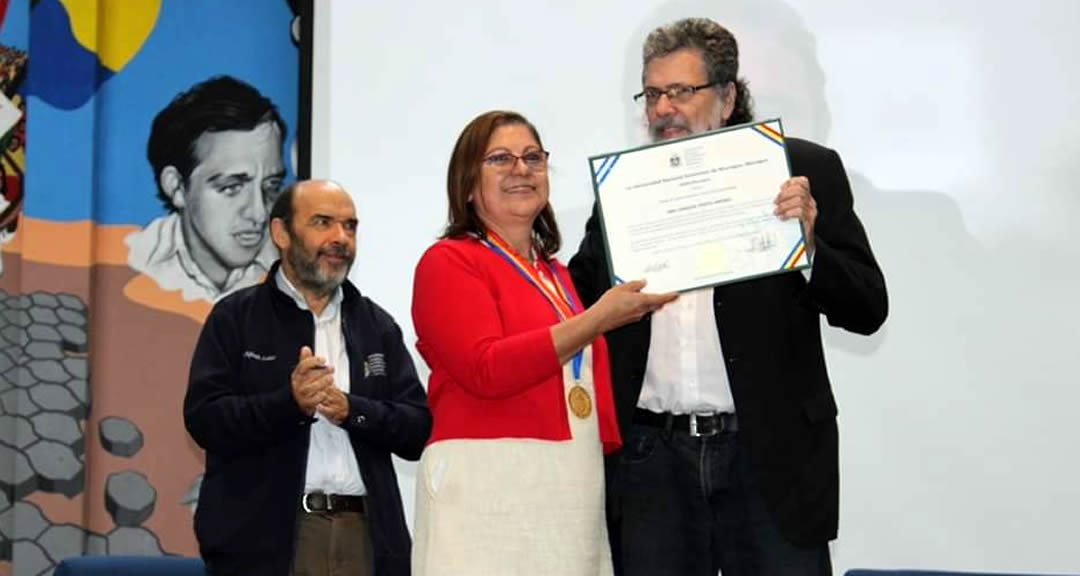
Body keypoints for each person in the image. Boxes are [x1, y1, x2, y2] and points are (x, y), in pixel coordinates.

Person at [568, 18, 888, 576]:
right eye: (653, 92)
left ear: (728, 95)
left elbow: (867, 308)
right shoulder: (626, 189)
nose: (663, 107)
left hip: (767, 459)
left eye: (681, 91)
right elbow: (581, 298)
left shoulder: (803, 170)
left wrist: (810, 247)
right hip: (652, 462)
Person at [410, 110, 677, 576]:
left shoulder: (555, 275)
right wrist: (595, 320)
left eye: (533, 157)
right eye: (501, 158)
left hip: (569, 478)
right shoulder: (448, 261)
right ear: (468, 184)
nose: (522, 169)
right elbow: (486, 368)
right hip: (487, 481)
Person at [184, 179, 431, 576]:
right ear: (281, 233)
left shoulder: (375, 325)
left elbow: (418, 428)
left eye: (350, 226)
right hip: (264, 545)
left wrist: (353, 410)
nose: (340, 238)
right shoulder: (235, 318)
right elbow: (205, 419)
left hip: (364, 536)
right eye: (323, 223)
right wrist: (289, 402)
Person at [126, 75, 287, 302]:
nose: (260, 214)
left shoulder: (294, 272)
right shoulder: (129, 264)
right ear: (177, 187)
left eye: (272, 186)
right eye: (232, 187)